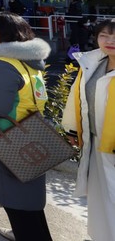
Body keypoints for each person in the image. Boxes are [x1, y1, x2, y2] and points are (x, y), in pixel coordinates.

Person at [0, 12, 53, 241]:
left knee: (15, 201)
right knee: (28, 201)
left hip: (4, 138)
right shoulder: (28, 61)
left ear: (4, 33)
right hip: (28, 132)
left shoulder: (2, 64)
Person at [62, 18, 115, 241]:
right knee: (100, 195)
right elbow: (77, 97)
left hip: (112, 143)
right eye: (104, 35)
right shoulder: (92, 63)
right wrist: (73, 129)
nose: (110, 40)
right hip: (95, 140)